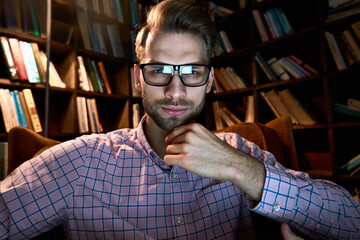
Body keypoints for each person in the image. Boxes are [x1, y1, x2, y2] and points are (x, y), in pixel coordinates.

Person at [0, 0, 359, 239]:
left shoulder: (239, 150)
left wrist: (240, 168)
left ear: (210, 80)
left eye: (191, 71)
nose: (175, 90)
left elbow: (351, 221)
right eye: (159, 70)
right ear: (139, 77)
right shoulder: (79, 162)